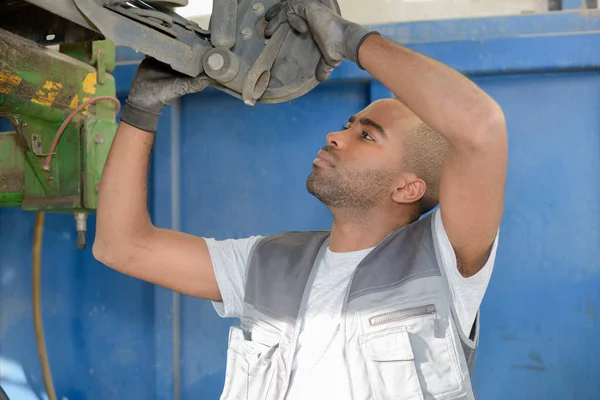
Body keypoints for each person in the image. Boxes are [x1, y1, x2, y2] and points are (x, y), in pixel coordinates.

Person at [93, 0, 507, 398]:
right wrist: (142, 109)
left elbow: (481, 127)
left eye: (366, 135)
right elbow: (121, 246)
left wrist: (350, 40)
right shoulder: (266, 264)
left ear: (407, 188)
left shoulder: (443, 264)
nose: (335, 136)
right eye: (347, 125)